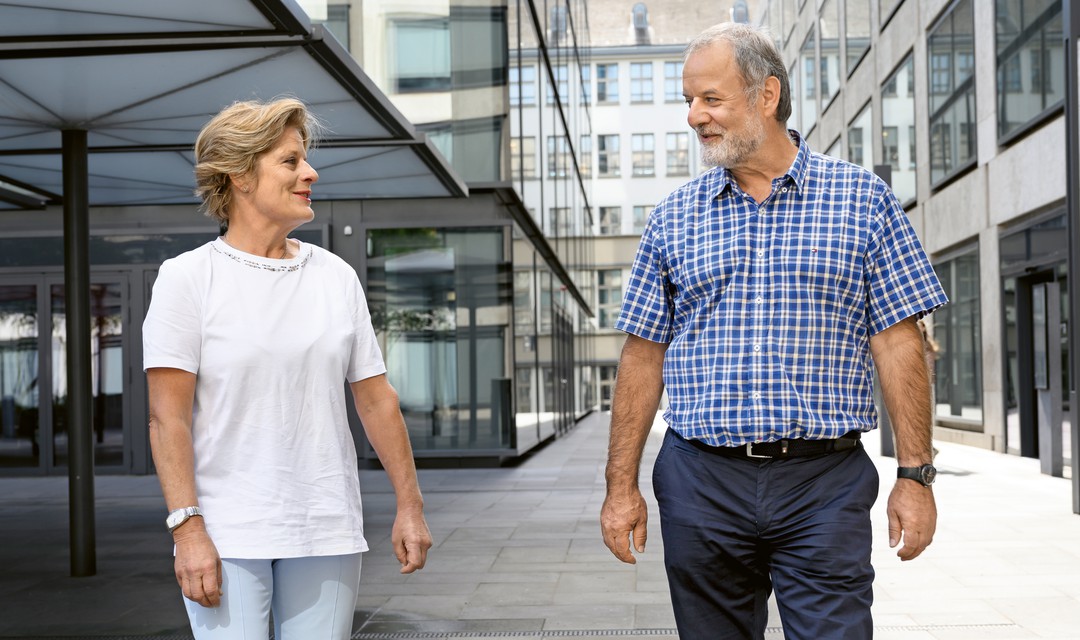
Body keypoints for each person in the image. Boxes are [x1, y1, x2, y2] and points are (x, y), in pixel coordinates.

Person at [599, 23, 947, 640]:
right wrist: (619, 485)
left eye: (710, 98)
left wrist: (915, 477)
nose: (693, 117)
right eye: (688, 101)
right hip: (700, 482)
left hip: (823, 483)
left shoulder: (863, 200)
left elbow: (899, 343)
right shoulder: (673, 217)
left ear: (767, 94)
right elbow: (642, 357)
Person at [143, 97, 433, 640]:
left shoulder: (335, 276)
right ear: (240, 175)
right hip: (228, 531)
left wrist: (409, 507)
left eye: (305, 159)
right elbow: (167, 420)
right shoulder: (187, 279)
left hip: (326, 524)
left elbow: (376, 400)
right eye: (290, 161)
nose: (310, 173)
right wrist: (188, 529)